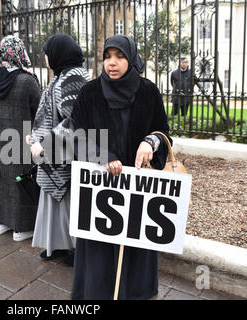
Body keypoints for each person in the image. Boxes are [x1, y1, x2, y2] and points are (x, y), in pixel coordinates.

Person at [69, 35, 171, 300]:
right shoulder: (90, 92)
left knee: (134, 245)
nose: (112, 63)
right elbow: (75, 134)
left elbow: (165, 133)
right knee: (100, 251)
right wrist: (103, 156)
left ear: (131, 58)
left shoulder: (148, 91)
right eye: (107, 56)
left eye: (120, 56)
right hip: (102, 188)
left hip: (136, 188)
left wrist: (152, 141)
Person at [29, 33, 90, 263]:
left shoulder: (71, 78)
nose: (45, 57)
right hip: (55, 157)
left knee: (68, 202)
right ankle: (58, 245)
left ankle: (74, 250)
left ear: (57, 54)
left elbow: (74, 120)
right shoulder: (63, 75)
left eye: (47, 53)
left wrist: (45, 142)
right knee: (56, 202)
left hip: (66, 157)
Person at [0, 35, 41, 241]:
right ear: (20, 51)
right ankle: (21, 228)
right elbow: (39, 112)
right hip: (22, 140)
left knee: (1, 180)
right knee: (22, 181)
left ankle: (0, 223)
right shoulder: (27, 80)